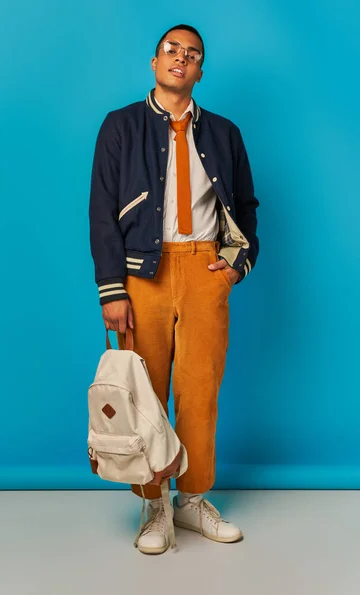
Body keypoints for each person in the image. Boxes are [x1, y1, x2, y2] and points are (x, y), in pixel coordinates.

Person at [89, 24, 259, 555]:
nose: (181, 59)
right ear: (154, 61)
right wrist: (112, 289)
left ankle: (192, 499)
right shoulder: (120, 126)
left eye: (192, 55)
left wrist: (237, 264)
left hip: (204, 270)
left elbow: (247, 207)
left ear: (200, 70)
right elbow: (101, 211)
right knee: (146, 392)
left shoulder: (225, 132)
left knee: (199, 390)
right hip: (143, 274)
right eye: (172, 50)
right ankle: (153, 504)